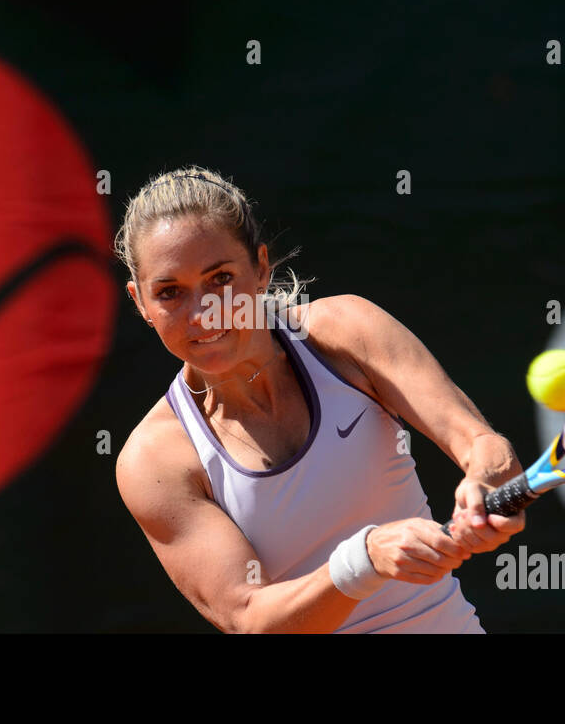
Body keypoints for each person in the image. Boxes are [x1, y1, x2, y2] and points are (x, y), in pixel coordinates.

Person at [114, 167, 525, 633]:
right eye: (169, 292)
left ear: (262, 268)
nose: (203, 311)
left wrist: (488, 484)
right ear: (141, 302)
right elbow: (249, 618)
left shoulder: (347, 330)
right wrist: (364, 560)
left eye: (221, 278)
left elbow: (481, 445)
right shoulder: (153, 461)